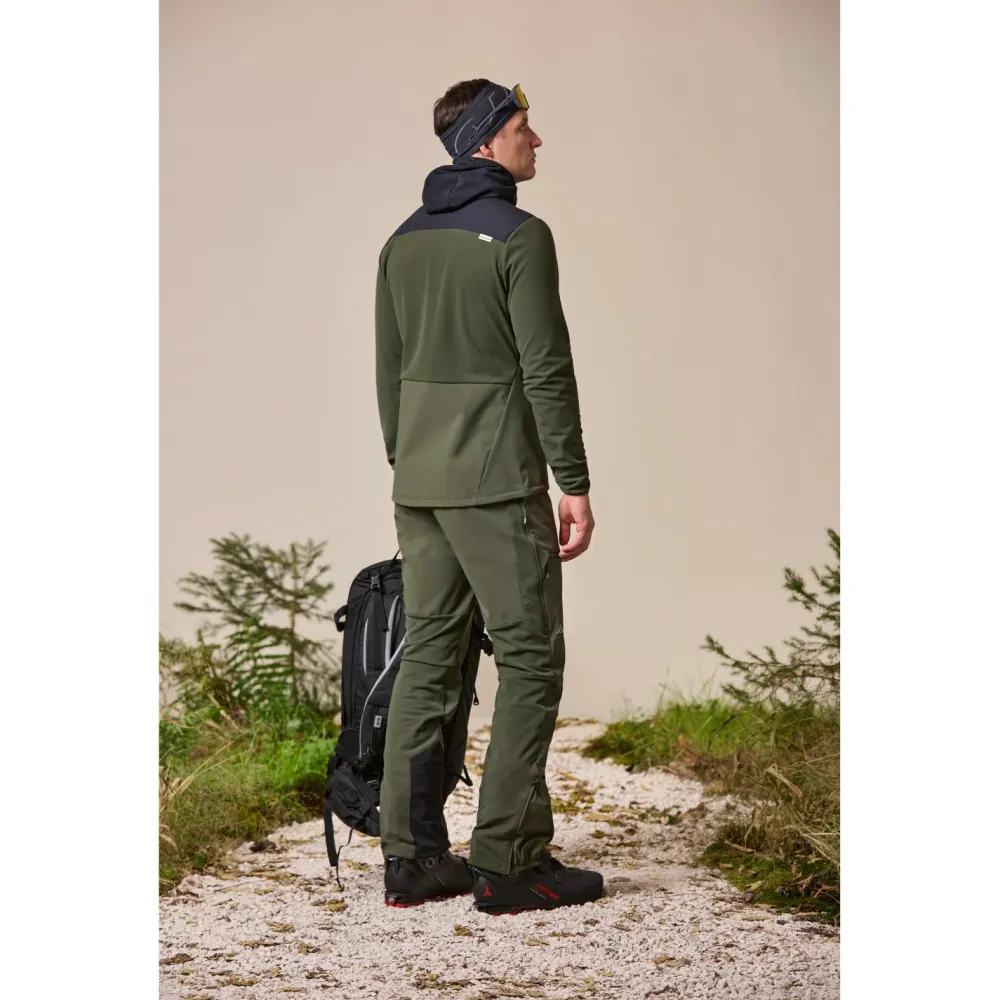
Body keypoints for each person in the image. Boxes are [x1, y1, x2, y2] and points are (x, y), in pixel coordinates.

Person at [373, 79, 601, 914]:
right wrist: (572, 480)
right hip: (498, 483)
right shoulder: (520, 236)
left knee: (431, 656)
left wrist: (410, 464)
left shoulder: (402, 241)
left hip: (419, 483)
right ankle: (510, 861)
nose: (535, 141)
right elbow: (546, 367)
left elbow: (389, 372)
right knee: (530, 658)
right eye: (522, 128)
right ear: (484, 140)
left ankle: (410, 859)